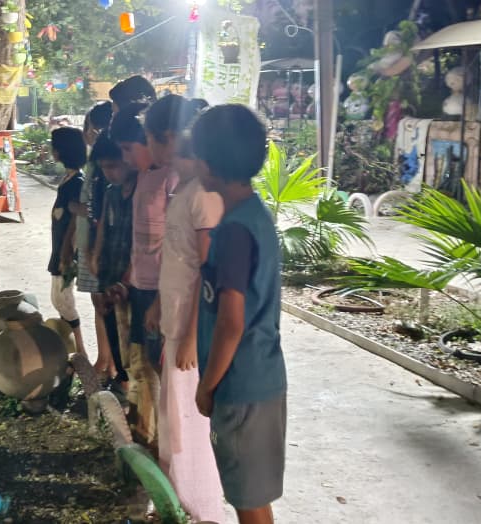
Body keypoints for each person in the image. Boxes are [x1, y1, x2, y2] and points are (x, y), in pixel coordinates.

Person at [192, 105, 287, 524]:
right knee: (252, 496)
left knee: (247, 500)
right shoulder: (254, 214)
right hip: (262, 376)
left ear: (210, 163)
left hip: (240, 385)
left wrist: (206, 386)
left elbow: (231, 323)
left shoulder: (234, 231)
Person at [141, 95, 225, 523]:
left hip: (192, 331)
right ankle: (177, 499)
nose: (149, 150)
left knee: (189, 422)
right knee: (173, 417)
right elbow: (177, 258)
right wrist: (159, 301)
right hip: (175, 318)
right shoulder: (183, 189)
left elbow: (208, 271)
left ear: (170, 140)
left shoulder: (205, 196)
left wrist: (192, 334)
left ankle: (201, 509)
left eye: (150, 141)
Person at [111, 102, 176, 447]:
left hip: (161, 291)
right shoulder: (144, 178)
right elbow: (141, 241)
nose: (125, 158)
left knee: (161, 368)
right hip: (140, 286)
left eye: (128, 148)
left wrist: (162, 299)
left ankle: (166, 443)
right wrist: (127, 278)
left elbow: (178, 246)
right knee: (142, 364)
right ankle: (145, 434)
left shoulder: (172, 179)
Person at [72, 102, 119, 379]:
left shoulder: (101, 161)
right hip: (92, 240)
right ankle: (107, 360)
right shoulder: (98, 158)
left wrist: (80, 211)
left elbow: (97, 206)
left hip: (96, 242)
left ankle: (107, 362)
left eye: (88, 126)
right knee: (100, 302)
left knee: (102, 302)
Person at [90, 135, 137, 396]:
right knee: (111, 325)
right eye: (104, 168)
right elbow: (103, 228)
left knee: (132, 336)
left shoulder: (143, 191)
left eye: (113, 166)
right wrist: (96, 256)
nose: (109, 173)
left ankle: (131, 386)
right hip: (110, 268)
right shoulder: (111, 192)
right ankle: (121, 377)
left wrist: (128, 275)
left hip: (133, 275)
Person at [49, 127, 88, 356]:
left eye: (54, 146)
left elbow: (75, 221)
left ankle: (79, 349)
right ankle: (73, 346)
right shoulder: (69, 178)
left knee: (63, 299)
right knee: (59, 298)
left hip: (66, 248)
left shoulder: (77, 182)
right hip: (60, 245)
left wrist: (67, 252)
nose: (52, 150)